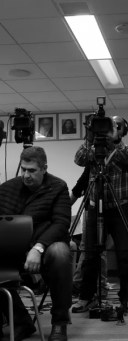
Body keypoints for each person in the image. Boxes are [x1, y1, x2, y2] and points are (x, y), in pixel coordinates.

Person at [0, 146, 72, 341]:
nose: (26, 175)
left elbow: (61, 223)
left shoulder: (58, 187)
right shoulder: (7, 188)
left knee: (61, 253)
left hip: (46, 245)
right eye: (23, 169)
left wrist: (38, 247)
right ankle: (22, 321)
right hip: (12, 248)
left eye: (32, 170)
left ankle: (60, 323)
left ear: (44, 168)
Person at [72, 116, 128, 314]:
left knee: (125, 255)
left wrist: (115, 141)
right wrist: (90, 138)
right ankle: (87, 297)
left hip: (121, 208)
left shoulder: (122, 150)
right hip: (95, 207)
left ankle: (127, 298)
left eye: (112, 128)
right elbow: (78, 159)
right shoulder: (93, 149)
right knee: (90, 256)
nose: (107, 132)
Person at [70, 166, 108, 299]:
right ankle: (80, 283)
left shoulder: (105, 163)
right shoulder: (90, 160)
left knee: (98, 248)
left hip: (102, 208)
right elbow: (82, 182)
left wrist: (67, 202)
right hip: (90, 207)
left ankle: (99, 286)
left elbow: (80, 184)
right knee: (85, 247)